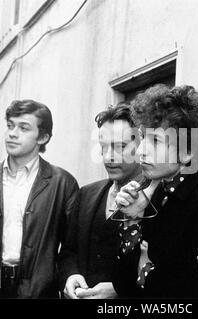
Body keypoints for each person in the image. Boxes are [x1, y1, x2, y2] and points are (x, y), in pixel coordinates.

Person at [112, 84, 198, 298]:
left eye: (155, 140)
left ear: (186, 153)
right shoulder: (153, 195)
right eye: (142, 137)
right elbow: (124, 287)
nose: (140, 151)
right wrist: (132, 220)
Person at [0, 100, 79, 298]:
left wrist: (54, 278)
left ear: (43, 137)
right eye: (10, 125)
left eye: (23, 128)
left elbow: (72, 245)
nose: (12, 133)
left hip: (38, 286)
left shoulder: (62, 183)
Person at [58, 103, 141, 299]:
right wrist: (70, 276)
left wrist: (122, 290)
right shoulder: (87, 194)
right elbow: (68, 252)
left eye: (120, 146)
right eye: (104, 147)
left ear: (141, 145)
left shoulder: (157, 202)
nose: (109, 156)